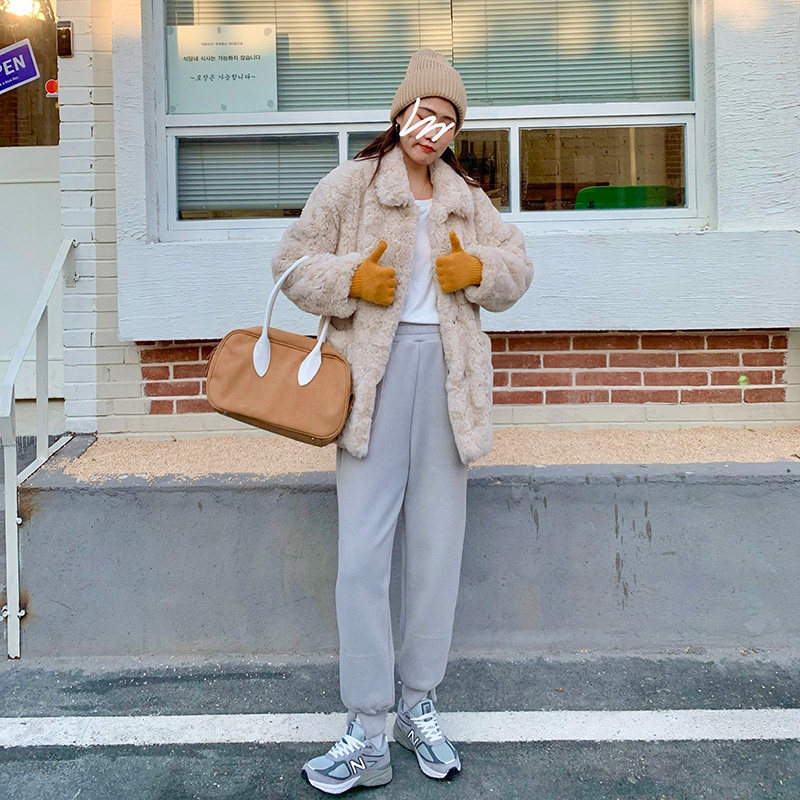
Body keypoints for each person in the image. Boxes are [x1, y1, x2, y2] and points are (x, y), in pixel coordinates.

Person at [271, 49, 533, 794]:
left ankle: (419, 704)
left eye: (447, 119)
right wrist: (351, 280)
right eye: (424, 113)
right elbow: (290, 264)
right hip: (371, 384)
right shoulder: (351, 184)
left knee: (438, 552)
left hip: (449, 382)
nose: (433, 128)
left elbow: (517, 267)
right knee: (363, 556)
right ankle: (366, 726)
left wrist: (480, 271)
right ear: (400, 114)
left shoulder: (465, 197)